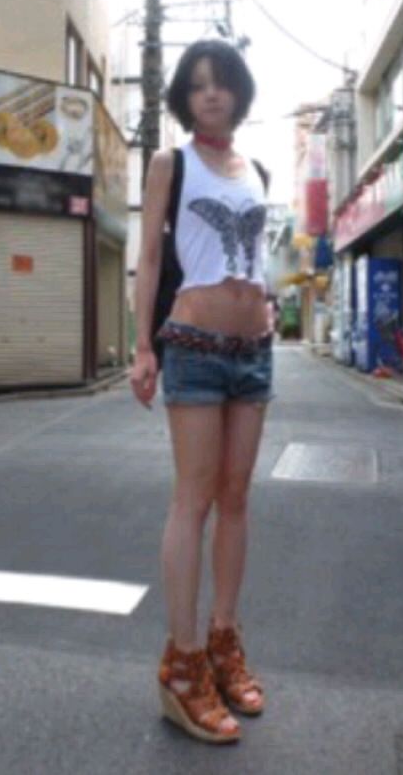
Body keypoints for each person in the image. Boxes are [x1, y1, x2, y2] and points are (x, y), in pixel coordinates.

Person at [130, 39, 273, 745]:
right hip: (193, 344)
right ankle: (182, 665)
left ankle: (223, 641)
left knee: (236, 497)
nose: (211, 94)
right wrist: (142, 347)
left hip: (254, 350)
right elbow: (152, 255)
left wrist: (267, 309)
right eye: (197, 85)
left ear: (239, 92)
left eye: (221, 83)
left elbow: (256, 256)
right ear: (185, 98)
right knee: (193, 498)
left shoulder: (258, 171)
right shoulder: (171, 162)